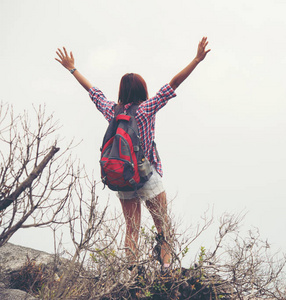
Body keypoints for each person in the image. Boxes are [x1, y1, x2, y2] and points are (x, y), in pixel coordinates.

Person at [55, 37, 211, 271]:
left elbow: (92, 91)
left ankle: (130, 273)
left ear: (122, 91)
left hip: (122, 177)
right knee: (163, 227)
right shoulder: (146, 109)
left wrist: (72, 69)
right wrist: (197, 60)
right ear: (142, 90)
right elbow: (173, 84)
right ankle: (166, 270)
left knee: (131, 229)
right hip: (147, 176)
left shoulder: (113, 111)